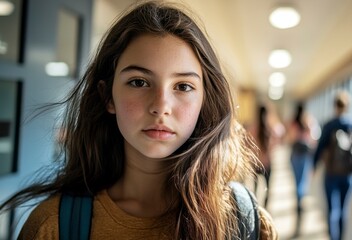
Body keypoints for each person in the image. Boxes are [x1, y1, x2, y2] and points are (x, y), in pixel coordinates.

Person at [0, 1, 278, 239]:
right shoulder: (54, 226)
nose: (160, 106)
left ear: (204, 102)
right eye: (138, 82)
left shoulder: (245, 224)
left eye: (183, 86)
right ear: (107, 96)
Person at [313, 90, 352, 240]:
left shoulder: (329, 125)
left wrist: (314, 166)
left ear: (334, 106)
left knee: (332, 209)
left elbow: (320, 148)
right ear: (347, 106)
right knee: (343, 209)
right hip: (349, 174)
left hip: (331, 173)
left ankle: (332, 237)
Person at [284, 102, 318, 236]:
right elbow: (314, 139)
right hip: (304, 155)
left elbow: (290, 138)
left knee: (296, 179)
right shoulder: (308, 121)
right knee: (302, 180)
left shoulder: (293, 122)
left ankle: (298, 199)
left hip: (294, 154)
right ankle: (300, 199)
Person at [248, 104, 284, 208]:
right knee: (268, 188)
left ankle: (254, 207)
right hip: (267, 163)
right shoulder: (270, 127)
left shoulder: (253, 127)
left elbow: (247, 144)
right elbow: (279, 137)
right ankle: (265, 208)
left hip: (256, 163)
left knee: (255, 188)